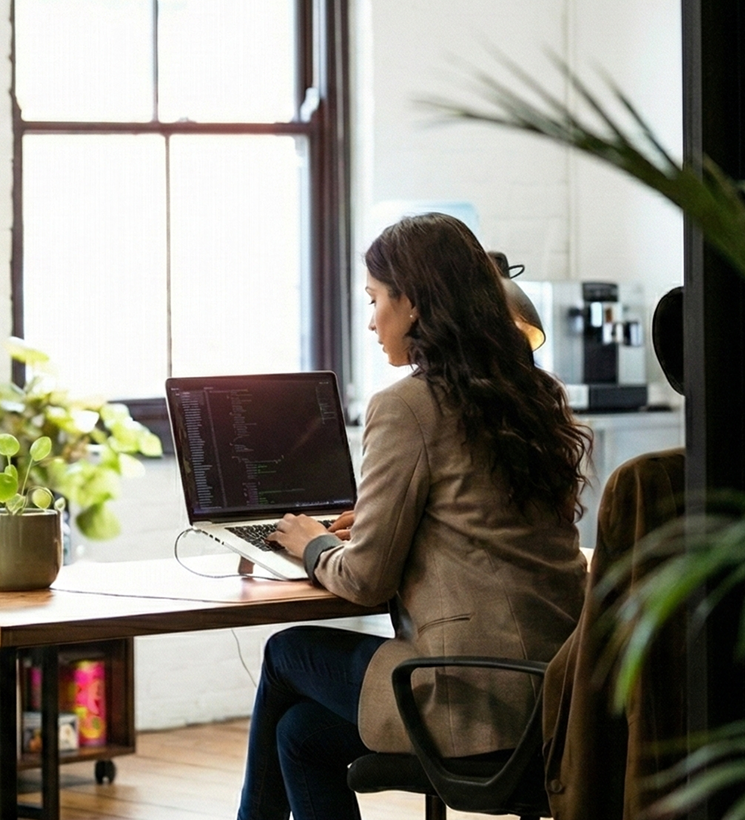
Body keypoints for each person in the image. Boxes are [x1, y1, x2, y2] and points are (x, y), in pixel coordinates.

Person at [236, 212, 591, 820]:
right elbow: (475, 523)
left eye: (375, 300)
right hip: (555, 695)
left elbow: (365, 580)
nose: (371, 320)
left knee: (285, 652)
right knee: (300, 734)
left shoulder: (407, 406)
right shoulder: (534, 394)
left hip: (470, 698)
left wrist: (311, 542)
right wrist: (370, 522)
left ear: (416, 303)